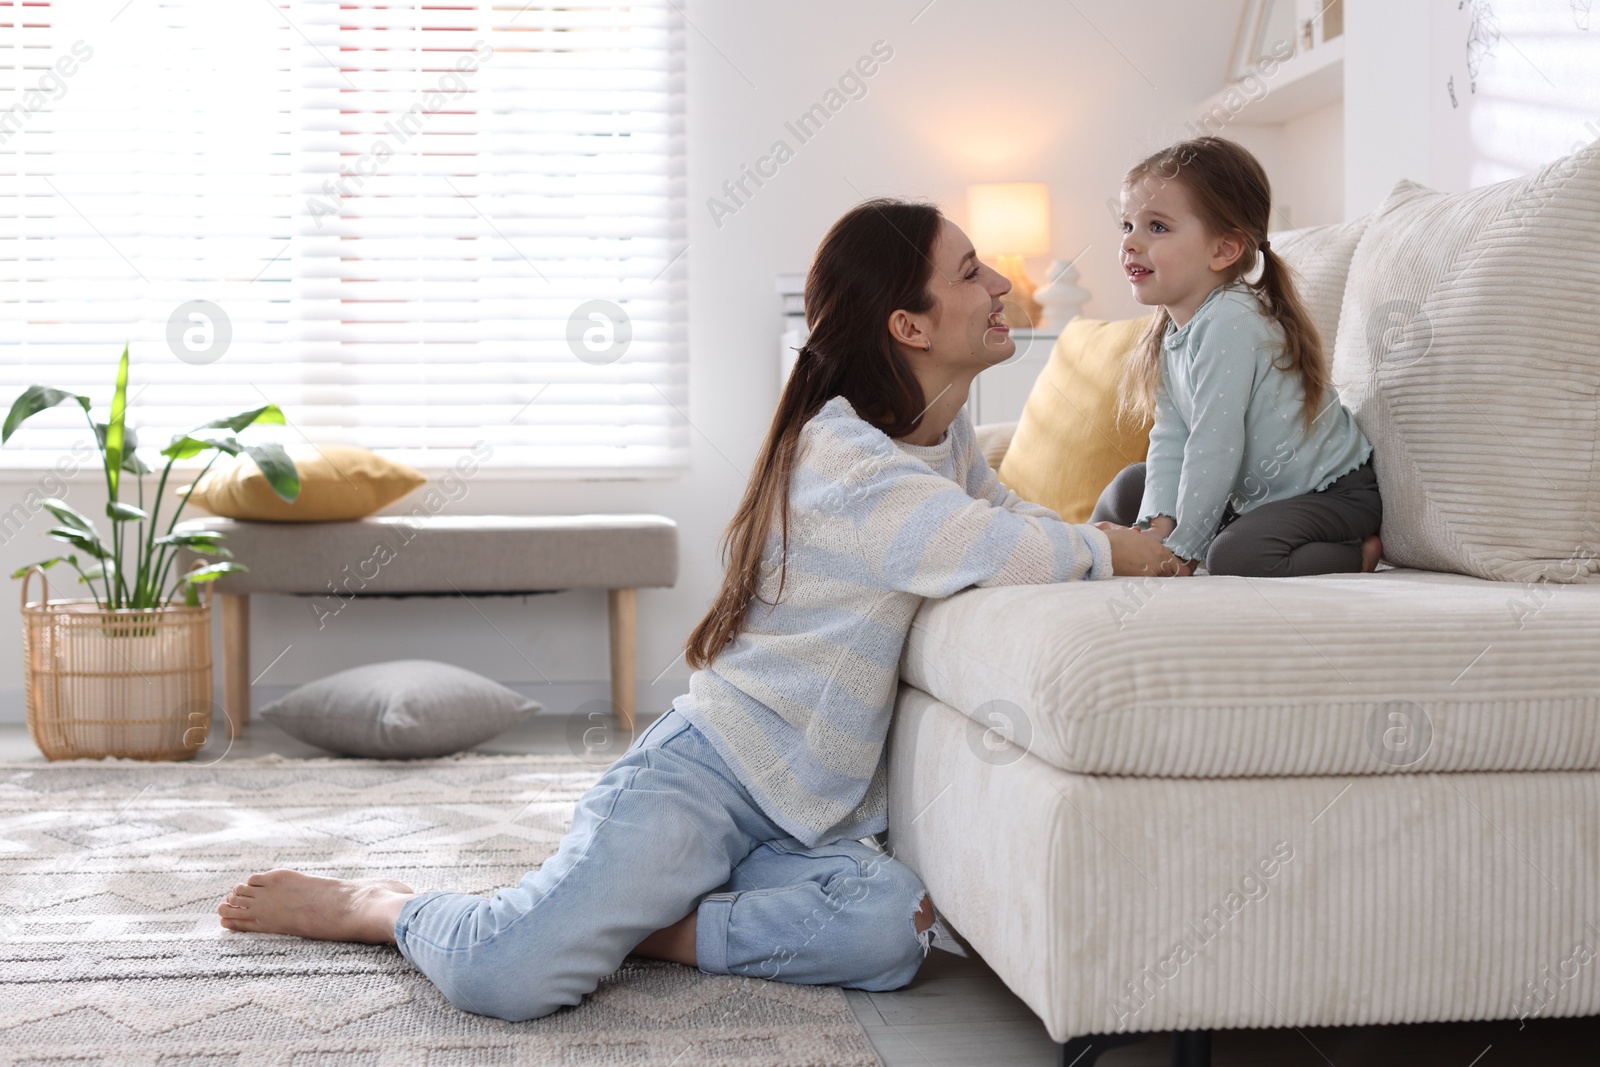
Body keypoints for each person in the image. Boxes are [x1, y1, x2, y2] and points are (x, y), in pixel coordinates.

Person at [216, 198, 1180, 1021]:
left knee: (890, 931)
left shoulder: (941, 435)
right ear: (910, 326)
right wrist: (1117, 549)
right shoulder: (845, 459)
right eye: (971, 272)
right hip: (711, 774)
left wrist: (1102, 538)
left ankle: (652, 926)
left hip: (817, 814)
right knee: (505, 973)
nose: (1001, 283)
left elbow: (1004, 516)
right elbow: (990, 544)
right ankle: (382, 903)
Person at [1089, 136, 1383, 577]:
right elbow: (1172, 440)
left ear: (1224, 249)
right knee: (1132, 482)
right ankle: (1090, 551)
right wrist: (1155, 529)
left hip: (1326, 494)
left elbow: (1215, 446)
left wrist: (1183, 548)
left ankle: (1355, 555)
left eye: (1157, 227)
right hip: (1249, 497)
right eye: (1127, 226)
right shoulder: (1174, 331)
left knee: (1236, 555)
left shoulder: (1232, 319)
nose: (1131, 243)